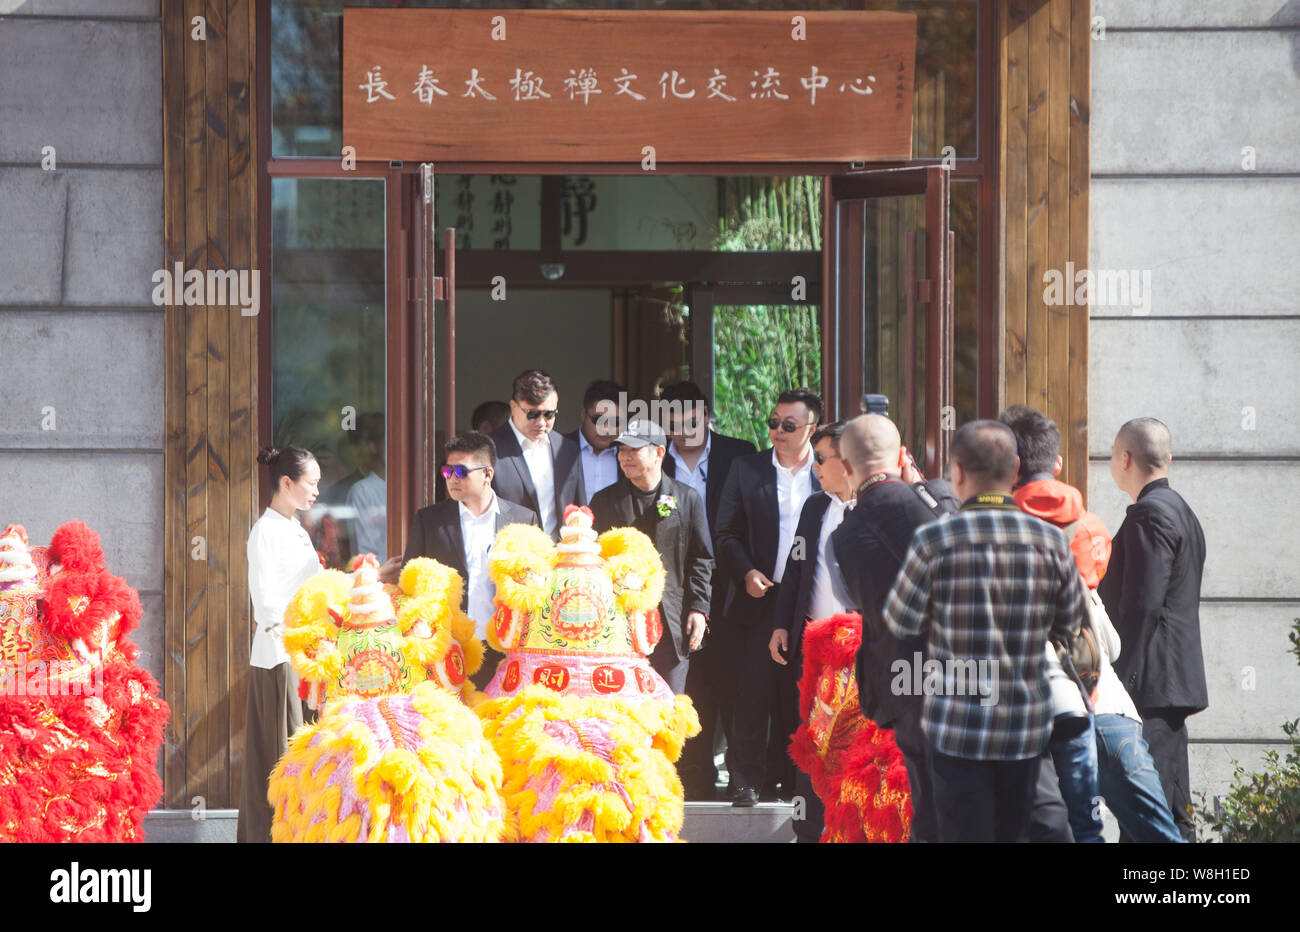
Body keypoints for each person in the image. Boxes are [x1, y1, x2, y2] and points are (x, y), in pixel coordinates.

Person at [882, 421, 1089, 843]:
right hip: (1025, 729)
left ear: (956, 473)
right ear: (1015, 469)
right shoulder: (1050, 542)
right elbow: (1077, 634)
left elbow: (901, 622)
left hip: (955, 730)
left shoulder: (933, 541)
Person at [1000, 404, 1184, 844]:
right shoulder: (1091, 528)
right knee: (1158, 836)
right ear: (1057, 464)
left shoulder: (987, 534)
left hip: (1029, 718)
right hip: (1106, 706)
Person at [829, 413, 946, 842]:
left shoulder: (841, 538)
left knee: (927, 805)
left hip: (901, 682)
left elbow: (850, 601)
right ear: (902, 456)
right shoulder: (942, 507)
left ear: (845, 467)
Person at [1098, 417, 1207, 842]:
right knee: (1171, 811)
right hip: (1169, 685)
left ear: (1124, 458)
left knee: (1148, 814)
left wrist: (1122, 681)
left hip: (1150, 687)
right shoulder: (1181, 511)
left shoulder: (1150, 515)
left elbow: (1142, 605)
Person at [714, 387, 822, 806]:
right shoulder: (747, 469)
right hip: (758, 596)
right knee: (751, 694)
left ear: (811, 429)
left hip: (808, 602)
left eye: (789, 425)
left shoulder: (826, 471)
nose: (778, 430)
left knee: (800, 697)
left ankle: (799, 783)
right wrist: (745, 571)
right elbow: (726, 532)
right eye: (774, 422)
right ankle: (744, 780)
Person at [658, 380, 757, 799]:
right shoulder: (654, 458)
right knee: (687, 686)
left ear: (706, 416)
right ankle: (692, 779)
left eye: (691, 419)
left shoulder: (741, 455)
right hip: (675, 590)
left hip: (734, 588)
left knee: (737, 685)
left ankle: (744, 777)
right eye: (674, 422)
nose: (683, 429)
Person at [391, 432, 540, 689]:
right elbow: (409, 583)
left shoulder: (522, 519)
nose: (452, 479)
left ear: (487, 474)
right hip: (448, 647)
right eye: (447, 472)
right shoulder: (430, 520)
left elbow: (537, 587)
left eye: (461, 471)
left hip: (505, 646)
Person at [767, 420, 853, 840]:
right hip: (816, 649)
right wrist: (783, 624)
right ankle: (809, 829)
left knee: (855, 747)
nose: (815, 467)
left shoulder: (875, 511)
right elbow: (796, 570)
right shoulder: (816, 506)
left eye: (822, 459)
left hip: (863, 654)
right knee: (814, 743)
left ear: (848, 460)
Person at [237, 445, 324, 844]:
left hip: (301, 654)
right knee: (281, 759)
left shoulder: (294, 528)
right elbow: (266, 604)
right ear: (286, 483)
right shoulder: (266, 531)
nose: (316, 492)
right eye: (312, 483)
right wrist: (301, 633)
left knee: (298, 754)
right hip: (280, 657)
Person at [590, 419, 712, 695]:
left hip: (671, 620)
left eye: (634, 450)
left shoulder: (686, 498)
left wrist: (698, 608)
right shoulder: (604, 500)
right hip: (619, 623)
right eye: (621, 450)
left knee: (667, 706)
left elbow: (701, 559)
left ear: (659, 452)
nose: (625, 457)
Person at [489, 369, 584, 540]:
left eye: (549, 414)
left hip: (559, 557)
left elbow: (578, 509)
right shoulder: (489, 450)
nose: (541, 422)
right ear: (513, 407)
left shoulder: (567, 449)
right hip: (509, 558)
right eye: (532, 414)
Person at [566, 379, 625, 503]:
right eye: (599, 419)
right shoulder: (559, 449)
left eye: (616, 421)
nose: (606, 429)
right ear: (583, 414)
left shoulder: (631, 454)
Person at [344, 412, 387, 561]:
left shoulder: (410, 487)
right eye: (387, 440)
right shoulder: (363, 491)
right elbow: (366, 552)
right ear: (373, 447)